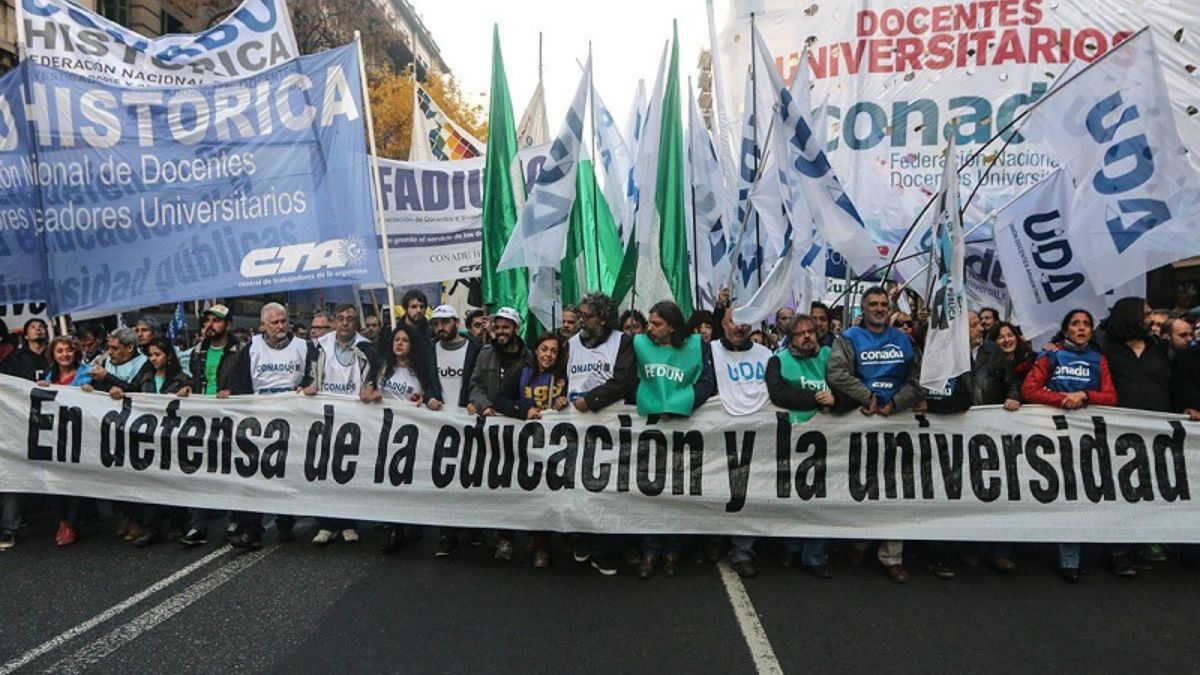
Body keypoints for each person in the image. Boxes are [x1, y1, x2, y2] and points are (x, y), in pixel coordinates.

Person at [826, 286, 923, 583]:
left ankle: (892, 556)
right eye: (873, 304)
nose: (879, 308)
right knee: (863, 487)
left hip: (897, 421)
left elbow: (920, 379)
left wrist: (894, 403)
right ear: (863, 309)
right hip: (863, 420)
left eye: (884, 304)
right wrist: (867, 397)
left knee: (897, 491)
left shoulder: (904, 341)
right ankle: (859, 542)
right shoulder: (849, 339)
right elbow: (836, 373)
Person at [1020, 308, 1118, 583]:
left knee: (1083, 492)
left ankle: (1084, 553)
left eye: (1086, 324)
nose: (1082, 328)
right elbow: (1030, 390)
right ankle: (1068, 558)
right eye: (1075, 324)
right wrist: (1063, 399)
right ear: (1066, 330)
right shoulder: (1051, 355)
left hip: (1088, 439)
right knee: (1064, 494)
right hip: (1052, 435)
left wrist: (1085, 395)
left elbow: (1111, 396)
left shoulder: (1099, 359)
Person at [633, 301, 716, 579]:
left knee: (677, 489)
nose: (650, 328)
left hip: (684, 427)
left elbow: (706, 382)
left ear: (672, 326)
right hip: (652, 430)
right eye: (649, 322)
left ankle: (672, 551)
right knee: (650, 489)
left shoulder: (697, 346)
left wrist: (681, 403)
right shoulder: (639, 345)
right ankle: (649, 551)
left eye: (656, 324)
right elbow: (631, 381)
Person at [226, 303, 317, 550]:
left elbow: (313, 377)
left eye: (283, 321)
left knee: (285, 474)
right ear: (263, 325)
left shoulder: (304, 347)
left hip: (293, 422)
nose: (280, 326)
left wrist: (309, 386)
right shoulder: (251, 348)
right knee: (252, 476)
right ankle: (251, 530)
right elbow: (240, 385)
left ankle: (286, 523)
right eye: (275, 322)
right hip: (259, 423)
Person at [567, 292, 639, 575]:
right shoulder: (571, 344)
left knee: (607, 490)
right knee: (578, 487)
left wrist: (592, 400)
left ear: (605, 319)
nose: (582, 321)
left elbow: (623, 380)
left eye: (588, 316)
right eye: (581, 315)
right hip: (576, 430)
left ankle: (603, 550)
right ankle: (580, 539)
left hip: (610, 429)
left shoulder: (623, 342)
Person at [1101, 297, 1172, 571]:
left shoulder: (1159, 348)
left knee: (1150, 489)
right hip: (1119, 434)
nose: (1150, 319)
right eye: (1146, 314)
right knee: (1121, 490)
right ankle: (1118, 550)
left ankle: (1143, 544)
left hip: (1157, 433)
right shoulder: (1107, 348)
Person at [361, 322, 444, 553]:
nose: (399, 343)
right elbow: (364, 392)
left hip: (411, 435)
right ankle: (394, 527)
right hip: (384, 433)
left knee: (408, 479)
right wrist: (370, 394)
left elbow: (432, 394)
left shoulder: (421, 370)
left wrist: (429, 401)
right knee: (390, 481)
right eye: (396, 339)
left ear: (412, 345)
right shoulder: (381, 367)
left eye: (404, 340)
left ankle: (412, 521)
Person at [765, 314, 835, 578]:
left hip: (830, 438)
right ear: (790, 338)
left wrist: (835, 397)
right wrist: (816, 399)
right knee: (794, 496)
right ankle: (791, 548)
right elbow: (779, 393)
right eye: (800, 333)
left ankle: (814, 557)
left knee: (822, 499)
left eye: (811, 332)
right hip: (794, 438)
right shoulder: (778, 361)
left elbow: (843, 383)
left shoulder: (829, 356)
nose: (807, 336)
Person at [105, 336, 191, 547]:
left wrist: (188, 392)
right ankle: (151, 527)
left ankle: (177, 524)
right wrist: (118, 391)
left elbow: (193, 399)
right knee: (151, 480)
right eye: (150, 355)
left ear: (168, 356)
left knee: (174, 480)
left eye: (157, 355)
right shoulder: (144, 377)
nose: (153, 359)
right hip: (148, 438)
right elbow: (130, 392)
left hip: (172, 437)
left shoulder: (182, 378)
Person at [493, 332, 568, 567]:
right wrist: (523, 410)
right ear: (536, 351)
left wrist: (564, 401)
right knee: (514, 490)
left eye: (554, 351)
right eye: (544, 349)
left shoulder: (564, 375)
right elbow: (499, 399)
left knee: (544, 494)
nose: (548, 355)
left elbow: (574, 400)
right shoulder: (522, 371)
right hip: (522, 444)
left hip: (550, 445)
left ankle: (541, 545)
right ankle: (505, 538)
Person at [305, 304, 377, 546]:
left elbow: (374, 375)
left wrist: (370, 388)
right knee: (323, 469)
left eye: (350, 319)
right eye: (341, 318)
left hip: (354, 417)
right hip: (325, 416)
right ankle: (325, 523)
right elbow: (309, 374)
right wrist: (310, 384)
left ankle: (348, 522)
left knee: (348, 470)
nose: (345, 322)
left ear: (356, 323)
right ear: (334, 321)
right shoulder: (319, 345)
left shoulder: (366, 347)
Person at [462, 306, 529, 559]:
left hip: (515, 429)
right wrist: (484, 405)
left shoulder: (529, 357)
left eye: (506, 327)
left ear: (515, 329)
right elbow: (475, 385)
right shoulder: (485, 353)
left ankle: (506, 536)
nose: (501, 332)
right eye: (497, 327)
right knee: (486, 479)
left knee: (510, 482)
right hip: (487, 426)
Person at [712, 310, 775, 578]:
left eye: (744, 321)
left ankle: (742, 551)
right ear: (723, 324)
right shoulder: (709, 351)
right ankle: (713, 539)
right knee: (715, 489)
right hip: (717, 435)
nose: (739, 327)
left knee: (750, 492)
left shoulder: (766, 355)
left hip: (756, 437)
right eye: (733, 321)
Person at [177, 305, 244, 548]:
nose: (210, 325)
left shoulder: (240, 351)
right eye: (207, 320)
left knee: (230, 469)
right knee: (200, 469)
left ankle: (235, 520)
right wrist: (186, 386)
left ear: (227, 324)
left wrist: (233, 391)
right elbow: (190, 376)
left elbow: (247, 382)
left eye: (216, 321)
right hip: (202, 416)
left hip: (229, 417)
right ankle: (198, 525)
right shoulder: (198, 350)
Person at [36, 336, 94, 547]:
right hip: (55, 436)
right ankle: (63, 518)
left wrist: (91, 391)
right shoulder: (50, 375)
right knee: (52, 481)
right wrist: (42, 388)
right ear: (53, 354)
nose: (65, 355)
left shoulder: (86, 373)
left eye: (69, 350)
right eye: (59, 351)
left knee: (75, 480)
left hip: (80, 435)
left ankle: (70, 523)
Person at [0, 320, 38, 550]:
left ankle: (9, 527)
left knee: (10, 476)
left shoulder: (21, 360)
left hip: (12, 428)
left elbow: (26, 391)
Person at [430, 305, 480, 409]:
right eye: (436, 324)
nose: (440, 328)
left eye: (445, 322)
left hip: (466, 415)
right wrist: (429, 398)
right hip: (438, 416)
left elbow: (479, 384)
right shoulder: (430, 350)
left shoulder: (475, 349)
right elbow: (427, 383)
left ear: (456, 322)